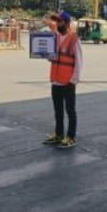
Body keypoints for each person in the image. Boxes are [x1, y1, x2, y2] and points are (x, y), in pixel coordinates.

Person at [44, 11, 82, 149]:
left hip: (68, 81)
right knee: (58, 111)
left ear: (66, 23)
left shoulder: (73, 39)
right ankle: (59, 134)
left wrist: (74, 79)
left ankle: (71, 137)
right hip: (56, 80)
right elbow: (52, 58)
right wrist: (47, 55)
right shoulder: (55, 38)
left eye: (60, 21)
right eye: (56, 21)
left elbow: (78, 61)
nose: (57, 24)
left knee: (70, 110)